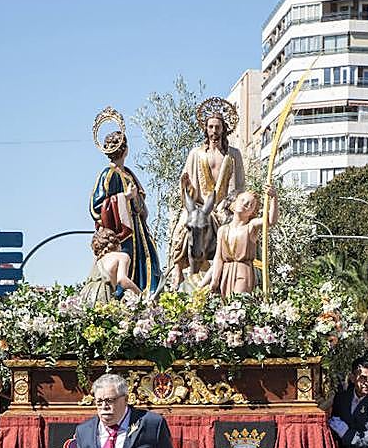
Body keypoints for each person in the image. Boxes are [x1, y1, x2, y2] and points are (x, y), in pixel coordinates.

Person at [169, 97, 247, 287]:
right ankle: (177, 268)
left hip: (223, 206)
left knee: (239, 231)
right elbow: (187, 183)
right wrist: (186, 186)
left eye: (217, 127)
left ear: (224, 129)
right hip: (198, 205)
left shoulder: (233, 154)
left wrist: (229, 203)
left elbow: (239, 185)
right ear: (206, 129)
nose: (214, 131)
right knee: (181, 228)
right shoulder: (196, 153)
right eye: (211, 127)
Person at [90, 107, 161, 294]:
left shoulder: (128, 173)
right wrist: (124, 198)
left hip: (137, 229)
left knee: (144, 263)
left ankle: (144, 294)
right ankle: (127, 295)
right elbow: (97, 208)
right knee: (124, 266)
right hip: (120, 232)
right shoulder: (108, 174)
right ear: (126, 149)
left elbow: (140, 200)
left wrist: (138, 203)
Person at [204, 187, 278, 298]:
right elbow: (218, 258)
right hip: (226, 273)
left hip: (243, 271)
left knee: (237, 304)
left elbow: (270, 221)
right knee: (226, 306)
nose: (246, 204)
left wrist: (273, 198)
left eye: (251, 205)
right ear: (233, 204)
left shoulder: (251, 226)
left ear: (253, 212)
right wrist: (214, 280)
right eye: (243, 200)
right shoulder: (222, 230)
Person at [79, 227, 142, 307]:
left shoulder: (97, 261)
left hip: (85, 294)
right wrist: (141, 295)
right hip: (102, 293)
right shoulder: (122, 256)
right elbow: (122, 280)